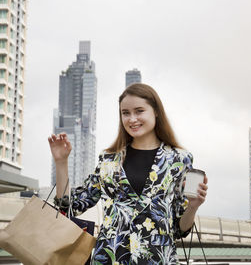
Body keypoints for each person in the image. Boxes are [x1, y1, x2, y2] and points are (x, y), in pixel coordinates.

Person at [48, 83, 208, 264]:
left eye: (139, 111)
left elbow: (180, 230)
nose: (132, 119)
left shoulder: (179, 160)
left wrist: (193, 206)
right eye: (125, 113)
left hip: (157, 260)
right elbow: (71, 206)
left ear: (156, 111)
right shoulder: (108, 159)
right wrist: (61, 163)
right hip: (111, 258)